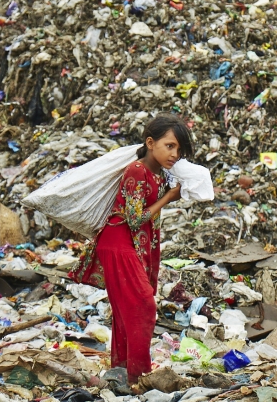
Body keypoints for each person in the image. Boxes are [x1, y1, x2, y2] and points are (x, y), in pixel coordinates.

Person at [69, 114, 194, 382]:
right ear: (150, 142)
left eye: (179, 150)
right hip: (118, 243)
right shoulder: (137, 171)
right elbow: (135, 218)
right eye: (169, 146)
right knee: (143, 306)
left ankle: (123, 372)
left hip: (136, 245)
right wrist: (169, 198)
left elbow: (147, 215)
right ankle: (139, 376)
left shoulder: (159, 174)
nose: (175, 154)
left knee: (129, 310)